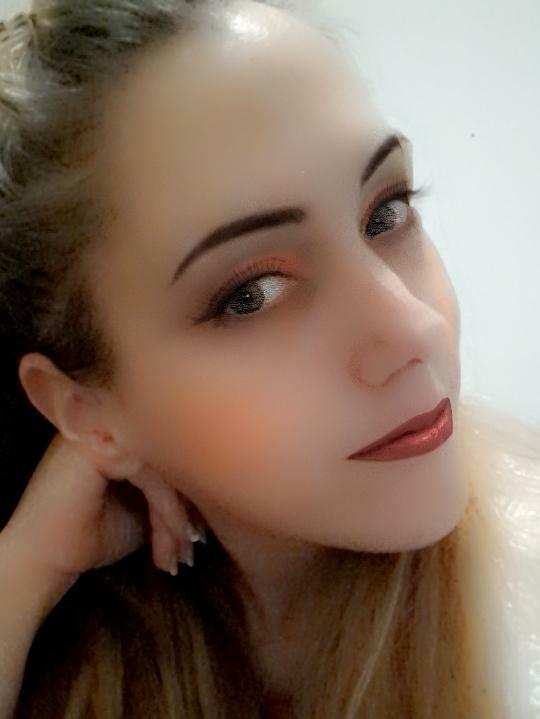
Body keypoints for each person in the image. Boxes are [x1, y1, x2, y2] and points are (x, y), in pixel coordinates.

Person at [0, 1, 538, 717]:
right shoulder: (71, 653)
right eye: (251, 295)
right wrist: (23, 571)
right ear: (86, 411)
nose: (415, 328)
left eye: (388, 212)